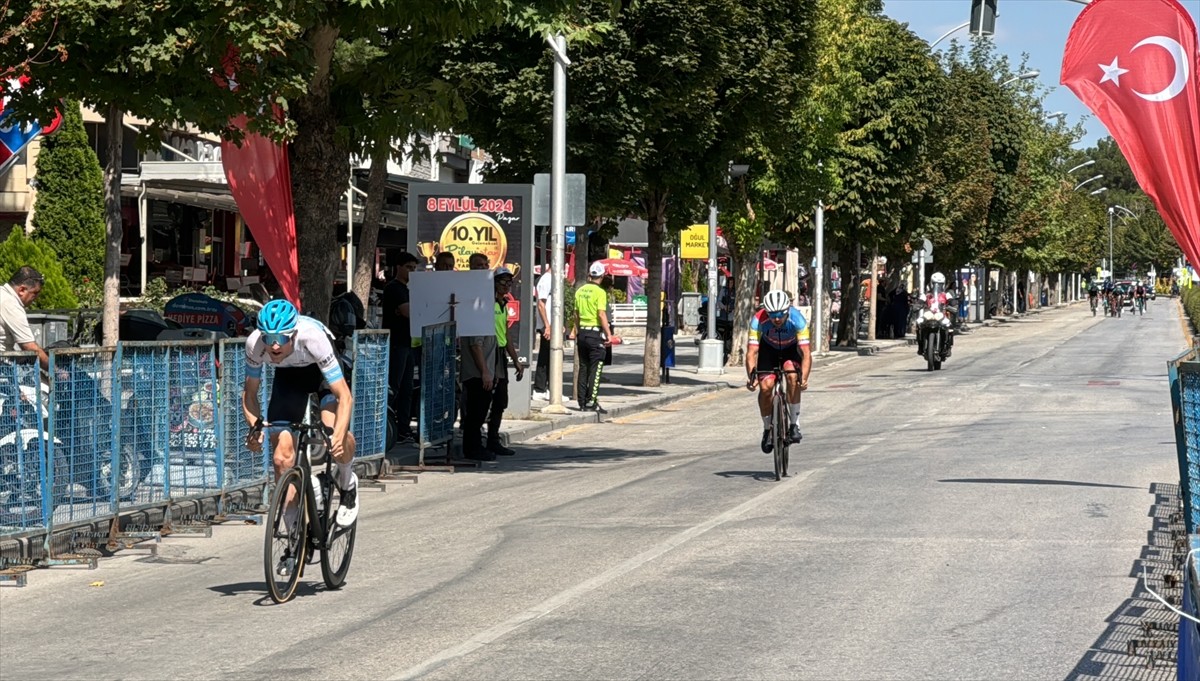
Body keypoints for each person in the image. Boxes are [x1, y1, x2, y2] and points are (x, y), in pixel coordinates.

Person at [241, 299, 358, 574]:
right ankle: (295, 542)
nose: (275, 346)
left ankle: (347, 480)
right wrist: (256, 427)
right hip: (288, 378)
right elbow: (249, 394)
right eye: (269, 338)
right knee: (282, 458)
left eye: (281, 338)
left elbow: (344, 397)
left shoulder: (313, 338)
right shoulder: (255, 345)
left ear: (293, 333)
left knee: (334, 437)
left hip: (321, 374)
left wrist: (338, 435)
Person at [460, 265, 525, 460]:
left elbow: (505, 335)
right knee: (479, 403)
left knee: (499, 401)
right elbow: (475, 342)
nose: (506, 286)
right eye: (502, 282)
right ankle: (474, 445)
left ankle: (493, 440)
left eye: (509, 282)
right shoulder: (484, 305)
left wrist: (515, 360)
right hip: (486, 354)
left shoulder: (503, 305)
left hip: (498, 354)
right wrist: (486, 370)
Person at [745, 289, 811, 453]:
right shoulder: (758, 320)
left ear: (787, 310)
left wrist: (804, 378)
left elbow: (806, 353)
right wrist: (752, 376)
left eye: (780, 314)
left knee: (792, 376)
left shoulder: (798, 319)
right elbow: (752, 352)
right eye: (772, 314)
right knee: (766, 387)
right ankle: (767, 428)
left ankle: (794, 424)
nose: (776, 319)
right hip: (769, 350)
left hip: (790, 350)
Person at [572, 262, 619, 413]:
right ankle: (591, 401)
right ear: (603, 275)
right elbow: (601, 314)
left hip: (582, 334)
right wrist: (609, 334)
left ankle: (581, 402)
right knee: (596, 368)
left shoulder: (580, 290)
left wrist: (576, 331)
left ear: (590, 275)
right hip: (594, 333)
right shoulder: (600, 292)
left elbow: (576, 314)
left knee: (583, 368)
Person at [383, 252, 419, 445]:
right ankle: (384, 427)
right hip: (397, 344)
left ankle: (403, 430)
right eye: (409, 267)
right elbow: (408, 312)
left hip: (407, 343)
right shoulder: (394, 288)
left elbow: (409, 310)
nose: (412, 271)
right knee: (393, 388)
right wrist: (410, 309)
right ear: (399, 267)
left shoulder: (406, 290)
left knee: (407, 389)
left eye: (414, 268)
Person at [0, 266, 49, 370]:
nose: (35, 299)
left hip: (5, 361)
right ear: (22, 290)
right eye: (35, 293)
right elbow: (29, 347)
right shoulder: (11, 304)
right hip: (2, 367)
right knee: (42, 385)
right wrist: (56, 371)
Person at [532, 264, 554, 400]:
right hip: (547, 325)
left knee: (548, 356)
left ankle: (545, 389)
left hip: (552, 324)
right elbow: (541, 304)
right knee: (547, 356)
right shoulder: (546, 279)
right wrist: (547, 325)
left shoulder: (553, 279)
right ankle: (540, 389)